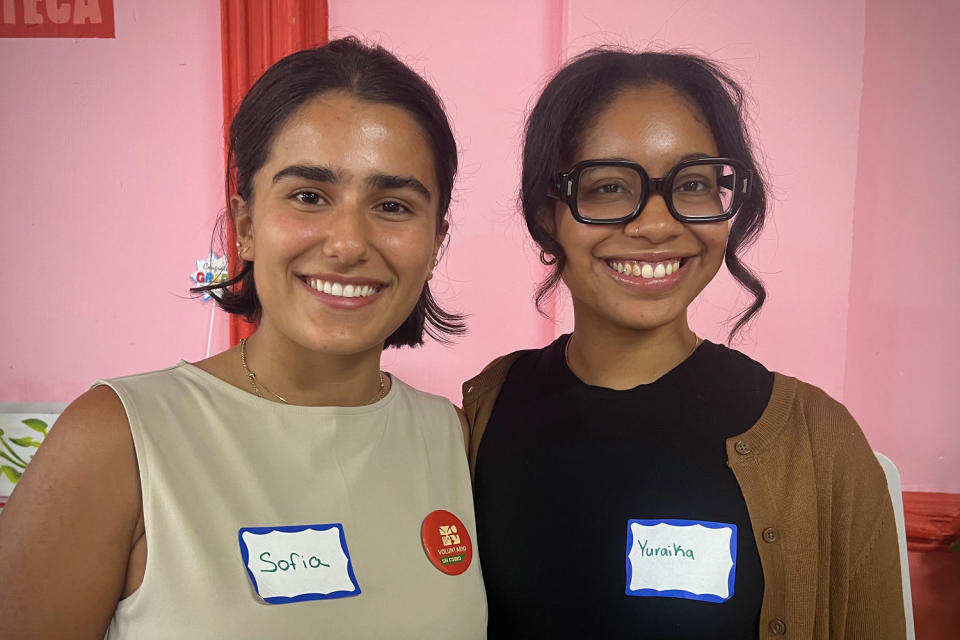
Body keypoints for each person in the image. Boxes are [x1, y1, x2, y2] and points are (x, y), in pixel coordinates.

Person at [0, 38, 486, 638]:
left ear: (436, 243)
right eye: (309, 196)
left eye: (392, 205)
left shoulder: (453, 439)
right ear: (247, 226)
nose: (348, 242)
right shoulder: (119, 438)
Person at [462, 48, 905, 639]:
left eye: (692, 184)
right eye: (610, 187)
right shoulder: (485, 410)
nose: (656, 224)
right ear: (550, 212)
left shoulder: (817, 441)